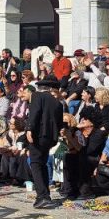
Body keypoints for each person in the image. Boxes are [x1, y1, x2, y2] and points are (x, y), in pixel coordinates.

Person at [27, 77, 65, 209]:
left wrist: (29, 129)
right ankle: (45, 195)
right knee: (42, 164)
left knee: (35, 164)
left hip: (38, 134)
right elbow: (59, 123)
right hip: (50, 137)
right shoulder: (58, 103)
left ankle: (42, 196)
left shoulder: (37, 96)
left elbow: (35, 113)